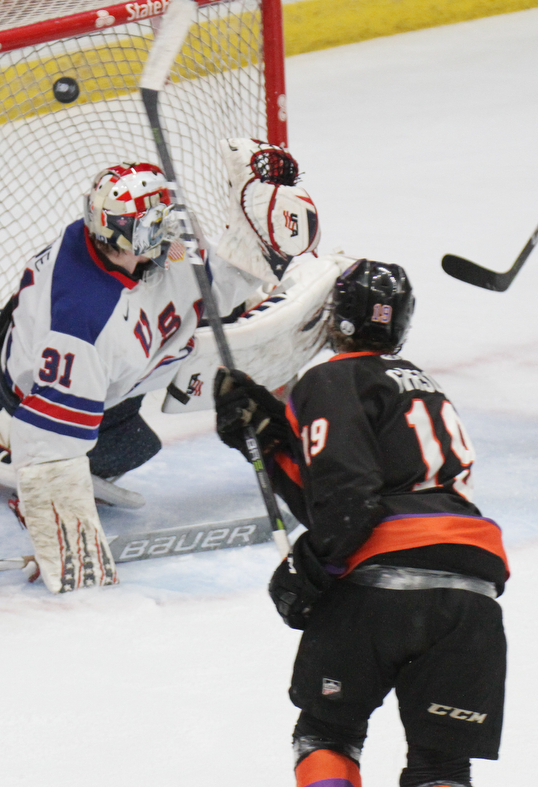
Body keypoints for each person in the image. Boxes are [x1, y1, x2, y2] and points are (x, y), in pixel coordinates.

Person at [0, 140, 338, 594]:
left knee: (132, 448)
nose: (167, 238)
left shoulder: (146, 244)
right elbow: (48, 447)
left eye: (163, 225)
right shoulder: (83, 324)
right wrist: (66, 539)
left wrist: (259, 236)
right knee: (47, 455)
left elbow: (207, 284)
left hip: (118, 383)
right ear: (121, 235)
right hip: (38, 396)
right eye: (153, 230)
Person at [214, 259, 508, 787]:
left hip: (382, 584)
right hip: (472, 596)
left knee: (328, 733)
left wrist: (308, 568)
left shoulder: (331, 378)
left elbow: (349, 503)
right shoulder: (426, 387)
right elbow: (354, 495)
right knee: (441, 766)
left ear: (337, 318)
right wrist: (273, 438)